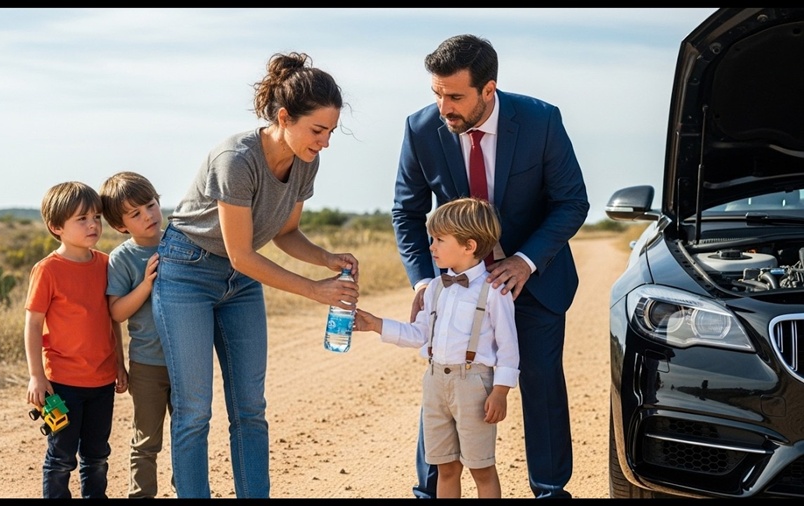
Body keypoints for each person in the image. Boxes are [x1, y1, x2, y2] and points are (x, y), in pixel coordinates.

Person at [151, 51, 359, 499]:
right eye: (317, 130)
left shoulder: (307, 160)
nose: (324, 142)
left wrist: (325, 258)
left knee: (250, 408)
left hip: (239, 282)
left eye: (330, 132)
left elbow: (285, 232)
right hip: (187, 272)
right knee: (194, 410)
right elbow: (242, 253)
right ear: (284, 117)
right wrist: (315, 289)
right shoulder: (235, 158)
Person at [392, 34, 590, 499]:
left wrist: (524, 262)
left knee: (540, 389)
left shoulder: (541, 121)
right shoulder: (421, 129)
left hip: (534, 284)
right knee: (445, 381)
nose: (444, 108)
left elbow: (571, 202)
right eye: (437, 94)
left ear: (489, 89)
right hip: (457, 288)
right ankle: (429, 492)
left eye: (455, 96)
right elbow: (406, 211)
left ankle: (549, 491)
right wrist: (425, 280)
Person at [354, 197, 519, 499]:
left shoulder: (494, 291)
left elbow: (509, 348)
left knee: (481, 468)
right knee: (445, 467)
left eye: (439, 240)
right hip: (434, 383)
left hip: (473, 385)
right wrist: (376, 324)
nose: (431, 246)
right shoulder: (435, 288)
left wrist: (501, 391)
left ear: (469, 246)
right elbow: (420, 334)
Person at [24, 181, 129, 498]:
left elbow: (112, 319)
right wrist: (36, 376)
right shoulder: (47, 270)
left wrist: (119, 365)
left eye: (96, 216)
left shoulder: (106, 264)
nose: (93, 224)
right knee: (61, 457)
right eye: (81, 219)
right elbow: (32, 324)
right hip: (60, 385)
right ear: (56, 227)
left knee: (97, 457)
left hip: (101, 383)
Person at [99, 171, 174, 498]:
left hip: (187, 359)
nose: (148, 216)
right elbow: (115, 313)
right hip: (147, 365)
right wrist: (146, 284)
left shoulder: (181, 243)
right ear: (120, 225)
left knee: (188, 435)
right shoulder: (122, 258)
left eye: (151, 205)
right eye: (135, 213)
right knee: (146, 441)